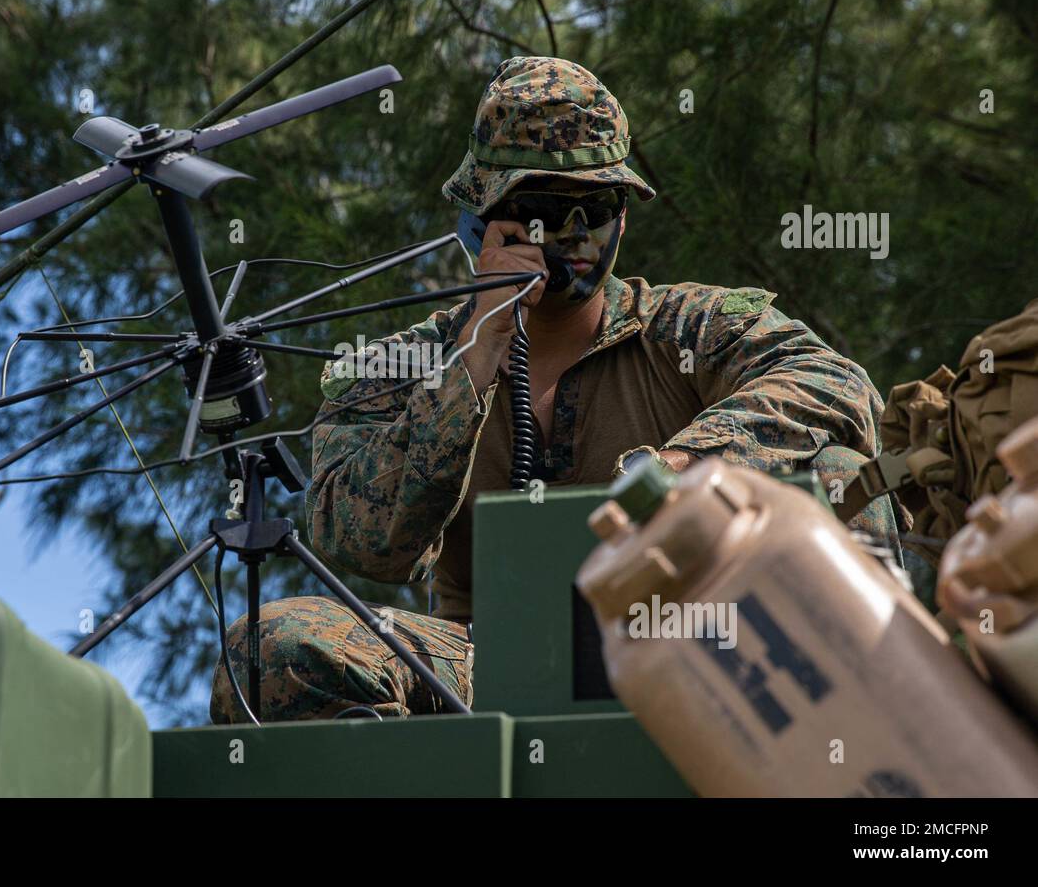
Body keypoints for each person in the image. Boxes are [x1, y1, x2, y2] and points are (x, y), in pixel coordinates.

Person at [210, 56, 902, 723]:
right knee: (270, 649)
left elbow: (836, 386)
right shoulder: (400, 365)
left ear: (623, 218)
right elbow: (363, 543)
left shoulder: (690, 325)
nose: (573, 235)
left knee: (842, 480)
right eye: (542, 209)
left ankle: (881, 749)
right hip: (480, 664)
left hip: (700, 635)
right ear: (479, 220)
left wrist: (682, 471)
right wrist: (476, 356)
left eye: (594, 208)